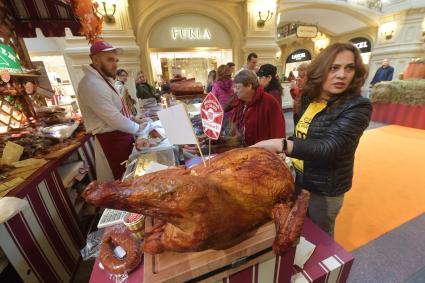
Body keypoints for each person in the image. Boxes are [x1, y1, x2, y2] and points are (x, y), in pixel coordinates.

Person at [253, 42, 372, 237]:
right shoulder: (310, 98)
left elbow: (329, 147)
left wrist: (281, 144)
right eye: (334, 68)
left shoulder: (358, 106)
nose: (342, 75)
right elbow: (303, 136)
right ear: (321, 70)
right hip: (300, 178)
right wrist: (285, 148)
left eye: (349, 68)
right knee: (299, 227)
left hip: (325, 188)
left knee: (321, 236)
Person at [77, 41, 146, 181]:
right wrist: (140, 129)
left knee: (128, 180)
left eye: (116, 60)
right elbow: (113, 117)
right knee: (119, 182)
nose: (115, 64)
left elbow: (118, 110)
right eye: (110, 60)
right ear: (95, 59)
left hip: (120, 137)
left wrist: (134, 120)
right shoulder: (91, 84)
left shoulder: (102, 80)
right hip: (111, 143)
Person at [231, 70, 285, 147]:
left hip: (263, 152)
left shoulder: (269, 102)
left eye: (237, 87)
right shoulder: (240, 102)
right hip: (244, 149)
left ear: (249, 86)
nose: (235, 91)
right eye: (234, 87)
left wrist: (279, 150)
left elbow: (278, 130)